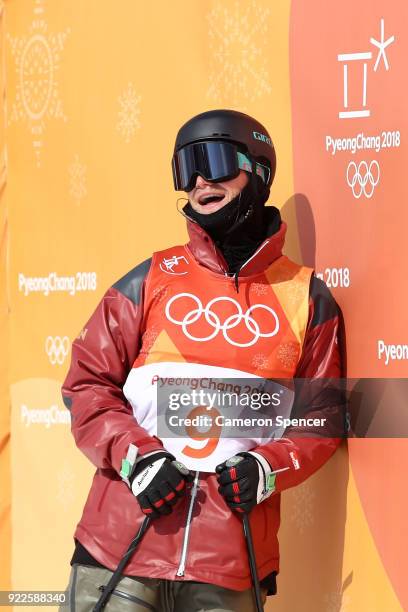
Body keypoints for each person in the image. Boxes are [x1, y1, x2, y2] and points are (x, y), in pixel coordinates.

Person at [61, 109, 345, 611]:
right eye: (184, 168)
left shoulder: (308, 298)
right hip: (119, 553)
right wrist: (136, 457)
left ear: (258, 169)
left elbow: (320, 418)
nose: (197, 182)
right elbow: (87, 384)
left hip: (229, 567)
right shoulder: (153, 277)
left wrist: (267, 466)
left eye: (211, 161)